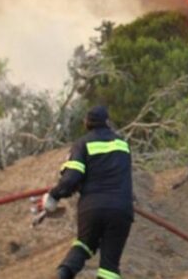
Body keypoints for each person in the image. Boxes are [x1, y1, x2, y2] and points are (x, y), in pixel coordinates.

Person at [41, 105, 134, 279]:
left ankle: (63, 273)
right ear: (107, 122)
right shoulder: (123, 145)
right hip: (121, 208)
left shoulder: (82, 144)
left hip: (92, 207)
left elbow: (71, 178)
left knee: (84, 244)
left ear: (87, 124)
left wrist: (53, 196)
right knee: (110, 266)